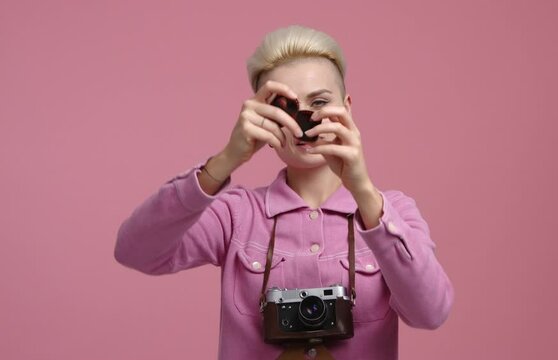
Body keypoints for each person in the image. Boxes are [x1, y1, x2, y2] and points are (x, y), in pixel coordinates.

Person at [114, 24, 454, 359]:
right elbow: (135, 250)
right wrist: (227, 159)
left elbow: (431, 312)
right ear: (262, 115)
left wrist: (363, 190)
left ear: (347, 108)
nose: (304, 120)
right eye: (286, 108)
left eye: (319, 102)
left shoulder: (391, 210)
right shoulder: (235, 214)